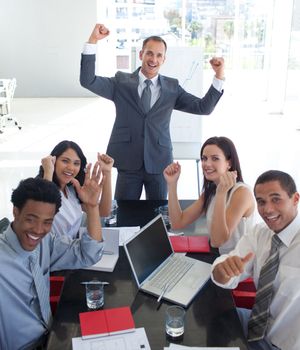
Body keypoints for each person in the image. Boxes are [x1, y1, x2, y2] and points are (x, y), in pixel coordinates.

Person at [80, 23, 225, 200]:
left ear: (164, 59)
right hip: (128, 161)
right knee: (125, 214)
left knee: (157, 215)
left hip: (159, 162)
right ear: (141, 54)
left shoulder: (172, 88)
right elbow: (88, 81)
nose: (153, 59)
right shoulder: (121, 82)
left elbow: (204, 107)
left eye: (159, 55)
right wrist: (93, 40)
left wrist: (219, 76)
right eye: (149, 53)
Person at [0, 164, 105, 350]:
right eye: (31, 219)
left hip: (52, 338)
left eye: (47, 222)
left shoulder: (45, 243)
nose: (39, 230)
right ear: (15, 212)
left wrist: (91, 207)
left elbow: (89, 253)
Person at [211, 170, 300, 350]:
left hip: (284, 344)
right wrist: (221, 271)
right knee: (208, 318)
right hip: (255, 323)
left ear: (295, 199)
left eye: (276, 199)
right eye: (261, 202)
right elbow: (227, 269)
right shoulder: (259, 233)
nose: (267, 209)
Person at [164, 136, 255, 254]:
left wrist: (221, 194)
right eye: (204, 158)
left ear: (229, 163)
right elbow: (177, 223)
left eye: (215, 159)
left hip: (238, 263)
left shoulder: (242, 193)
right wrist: (172, 184)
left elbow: (218, 241)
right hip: (221, 257)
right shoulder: (211, 191)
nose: (207, 164)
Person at [37, 140, 114, 238]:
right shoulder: (40, 188)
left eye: (76, 163)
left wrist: (107, 172)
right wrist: (48, 171)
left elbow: (103, 211)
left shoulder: (72, 189)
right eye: (65, 161)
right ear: (53, 162)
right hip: (52, 251)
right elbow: (43, 214)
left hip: (72, 247)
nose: (71, 168)